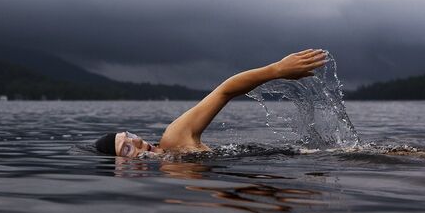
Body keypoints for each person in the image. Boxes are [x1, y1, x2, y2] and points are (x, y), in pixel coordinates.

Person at [95, 49, 328, 157]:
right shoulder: (171, 169)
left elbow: (224, 91)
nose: (137, 142)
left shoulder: (173, 140)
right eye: (126, 148)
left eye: (130, 136)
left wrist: (277, 70)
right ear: (121, 167)